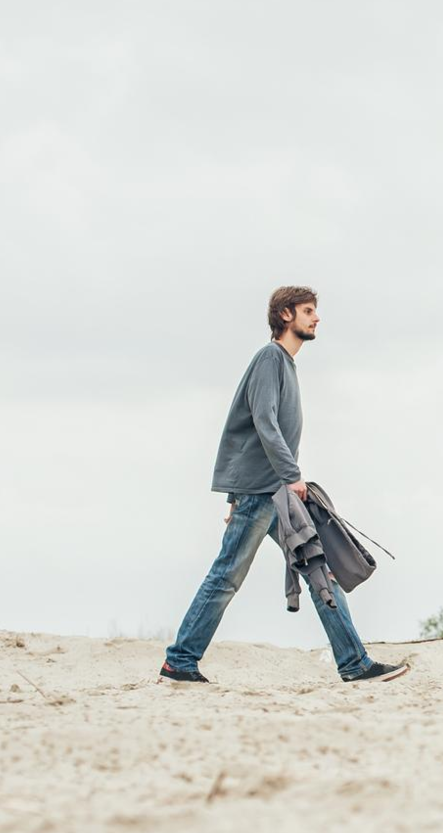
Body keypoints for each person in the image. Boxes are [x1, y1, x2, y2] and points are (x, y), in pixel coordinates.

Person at [160, 286, 406, 685]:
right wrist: (287, 478)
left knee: (319, 573)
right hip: (265, 493)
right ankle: (180, 661)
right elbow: (264, 422)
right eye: (309, 311)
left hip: (271, 491)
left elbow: (257, 435)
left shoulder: (286, 365)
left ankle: (353, 663)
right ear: (286, 315)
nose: (317, 318)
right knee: (226, 576)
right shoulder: (270, 359)